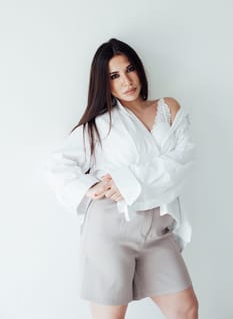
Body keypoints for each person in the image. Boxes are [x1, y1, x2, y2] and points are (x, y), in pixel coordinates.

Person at [44, 38, 199, 319]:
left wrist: (128, 180)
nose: (127, 81)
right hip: (110, 230)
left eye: (130, 70)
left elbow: (182, 161)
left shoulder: (168, 108)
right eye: (114, 76)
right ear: (105, 83)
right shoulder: (100, 125)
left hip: (158, 232)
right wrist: (92, 186)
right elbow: (57, 165)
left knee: (186, 310)